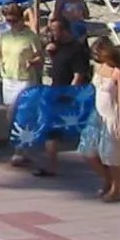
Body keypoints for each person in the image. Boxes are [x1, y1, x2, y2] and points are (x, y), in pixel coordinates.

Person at [78, 40, 120, 201]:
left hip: (112, 115)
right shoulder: (98, 67)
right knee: (88, 152)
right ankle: (106, 179)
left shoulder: (119, 72)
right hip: (97, 114)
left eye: (98, 53)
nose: (96, 57)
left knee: (112, 156)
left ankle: (115, 188)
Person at [32, 16, 92, 176]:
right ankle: (50, 165)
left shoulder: (77, 50)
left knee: (79, 129)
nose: (52, 33)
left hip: (69, 95)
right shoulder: (55, 46)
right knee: (51, 130)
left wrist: (70, 95)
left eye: (55, 30)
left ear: (64, 30)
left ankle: (101, 159)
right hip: (55, 90)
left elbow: (78, 75)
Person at [0, 2, 44, 165]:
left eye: (13, 20)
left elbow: (40, 56)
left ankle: (20, 149)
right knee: (11, 115)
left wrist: (32, 62)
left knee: (19, 114)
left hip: (24, 79)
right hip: (8, 77)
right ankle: (24, 146)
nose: (10, 24)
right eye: (7, 20)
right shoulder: (5, 36)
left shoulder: (30, 36)